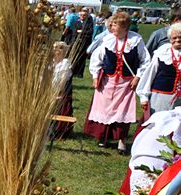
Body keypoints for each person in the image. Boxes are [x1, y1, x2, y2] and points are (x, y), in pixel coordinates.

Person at [85, 12, 150, 154]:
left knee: (123, 111)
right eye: (112, 24)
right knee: (104, 109)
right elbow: (97, 58)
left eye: (115, 25)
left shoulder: (136, 40)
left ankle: (122, 140)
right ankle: (103, 137)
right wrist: (95, 77)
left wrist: (138, 77)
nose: (112, 27)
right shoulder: (108, 40)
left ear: (124, 26)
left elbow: (145, 61)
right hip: (107, 81)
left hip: (126, 83)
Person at [136, 22, 181, 115]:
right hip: (161, 96)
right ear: (170, 39)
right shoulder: (162, 53)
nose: (177, 40)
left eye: (180, 37)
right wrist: (144, 96)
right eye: (174, 38)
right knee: (160, 121)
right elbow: (150, 74)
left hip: (179, 100)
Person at [50, 41, 74, 139]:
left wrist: (57, 91)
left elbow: (63, 81)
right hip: (50, 91)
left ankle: (58, 130)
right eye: (54, 48)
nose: (55, 51)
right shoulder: (51, 63)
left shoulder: (65, 64)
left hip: (61, 93)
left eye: (58, 49)